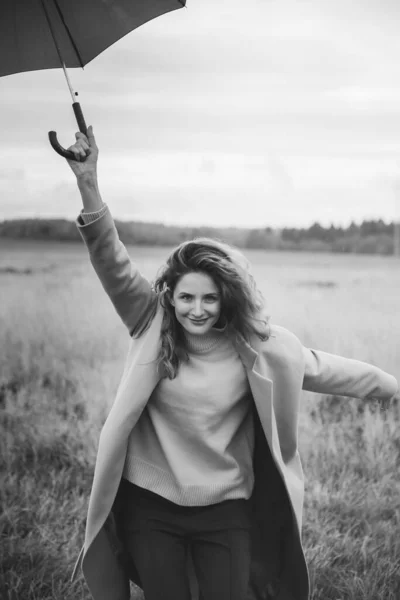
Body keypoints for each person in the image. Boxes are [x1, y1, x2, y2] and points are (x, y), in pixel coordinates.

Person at [66, 128, 399, 600]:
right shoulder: (150, 321)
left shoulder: (260, 346)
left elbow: (324, 368)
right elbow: (111, 261)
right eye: (185, 297)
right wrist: (88, 182)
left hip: (225, 506)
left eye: (209, 298)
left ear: (228, 299)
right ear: (169, 296)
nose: (196, 309)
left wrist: (390, 386)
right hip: (150, 502)